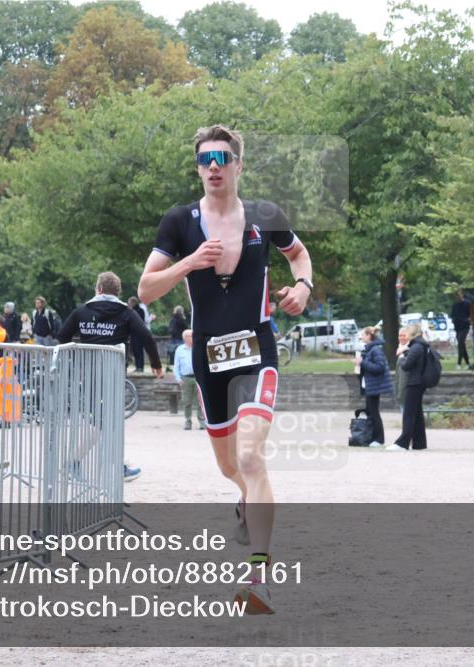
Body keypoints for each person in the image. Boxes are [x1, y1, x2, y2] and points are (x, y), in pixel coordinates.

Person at [138, 124, 313, 615]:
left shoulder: (264, 215)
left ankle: (259, 575)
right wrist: (189, 262)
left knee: (252, 457)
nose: (213, 165)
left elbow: (298, 255)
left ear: (238, 163)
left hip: (257, 350)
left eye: (222, 157)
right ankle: (247, 502)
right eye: (204, 158)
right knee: (229, 466)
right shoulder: (180, 221)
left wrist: (303, 287)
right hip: (209, 358)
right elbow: (146, 289)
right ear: (198, 167)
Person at [57, 271, 165, 480]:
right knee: (107, 422)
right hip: (113, 376)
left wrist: (73, 363)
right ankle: (98, 466)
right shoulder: (126, 312)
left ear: (98, 289)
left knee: (102, 423)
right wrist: (156, 365)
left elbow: (62, 336)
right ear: (118, 291)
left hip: (88, 376)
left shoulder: (82, 311)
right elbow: (146, 337)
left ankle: (84, 463)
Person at [390, 324, 428, 451]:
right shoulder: (421, 345)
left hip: (414, 383)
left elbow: (406, 365)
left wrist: (402, 357)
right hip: (419, 383)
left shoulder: (416, 347)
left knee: (409, 414)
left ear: (413, 334)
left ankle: (403, 443)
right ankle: (420, 443)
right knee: (417, 414)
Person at [356, 326, 393, 448]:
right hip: (370, 386)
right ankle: (372, 437)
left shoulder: (376, 349)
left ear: (369, 336)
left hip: (375, 386)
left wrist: (362, 362)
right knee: (370, 411)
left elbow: (379, 367)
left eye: (363, 334)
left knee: (374, 412)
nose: (361, 337)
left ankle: (379, 438)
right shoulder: (370, 349)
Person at [173, 329, 204, 430]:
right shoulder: (179, 350)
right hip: (185, 378)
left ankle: (202, 421)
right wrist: (178, 378)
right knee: (186, 401)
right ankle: (188, 421)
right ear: (185, 338)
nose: (193, 337)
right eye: (191, 336)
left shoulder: (198, 348)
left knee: (200, 401)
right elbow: (176, 366)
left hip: (198, 378)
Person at [450, 289, 471, 369]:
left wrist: (468, 320)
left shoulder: (467, 304)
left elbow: (470, 314)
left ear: (462, 295)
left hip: (465, 326)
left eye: (459, 295)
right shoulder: (455, 305)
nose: (458, 297)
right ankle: (467, 363)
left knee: (460, 342)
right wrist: (453, 320)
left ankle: (459, 363)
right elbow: (453, 315)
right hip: (457, 327)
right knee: (462, 344)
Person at [126, 296, 147, 372]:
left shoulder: (139, 311)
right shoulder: (133, 310)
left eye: (130, 303)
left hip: (138, 333)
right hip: (133, 333)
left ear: (133, 303)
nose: (129, 304)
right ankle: (138, 366)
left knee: (139, 350)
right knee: (135, 351)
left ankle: (140, 366)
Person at [393, 327, 411, 417]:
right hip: (400, 386)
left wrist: (401, 392)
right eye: (400, 335)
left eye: (404, 335)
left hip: (406, 389)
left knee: (406, 413)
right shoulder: (400, 348)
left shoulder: (408, 350)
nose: (401, 337)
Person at [168, 305, 188, 370]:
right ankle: (181, 365)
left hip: (173, 337)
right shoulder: (181, 319)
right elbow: (185, 328)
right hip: (180, 337)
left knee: (172, 351)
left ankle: (172, 364)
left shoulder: (172, 318)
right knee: (181, 352)